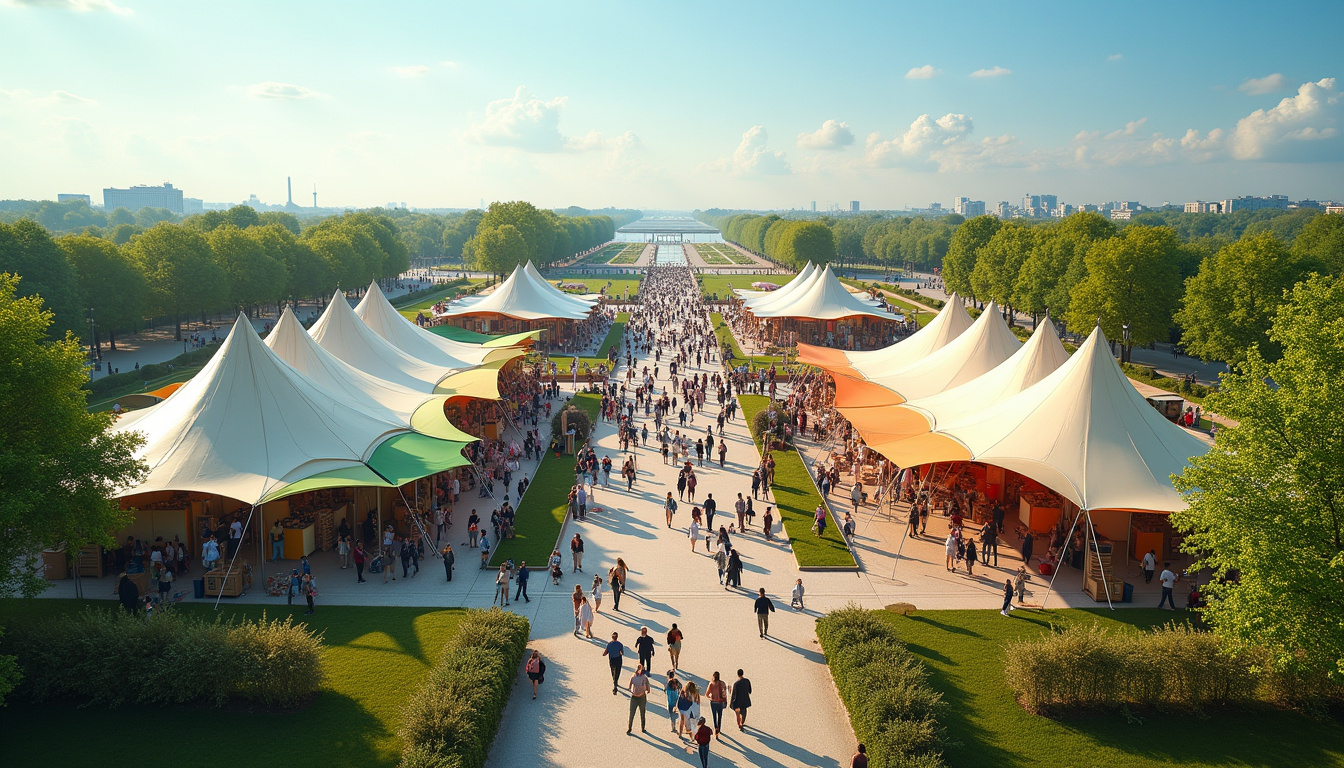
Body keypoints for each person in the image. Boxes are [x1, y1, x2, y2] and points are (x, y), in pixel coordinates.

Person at [627, 663, 649, 734]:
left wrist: (647, 689)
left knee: (642, 713)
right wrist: (633, 691)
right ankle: (629, 728)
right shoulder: (633, 677)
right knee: (632, 713)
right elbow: (629, 687)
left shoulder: (644, 678)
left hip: (642, 697)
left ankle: (643, 727)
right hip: (634, 698)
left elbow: (648, 687)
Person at [706, 671, 728, 736]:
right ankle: (719, 729)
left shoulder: (711, 684)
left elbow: (707, 694)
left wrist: (711, 698)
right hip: (720, 702)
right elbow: (724, 694)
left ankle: (715, 728)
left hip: (713, 702)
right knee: (720, 716)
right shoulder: (722, 683)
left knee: (714, 716)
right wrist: (725, 701)